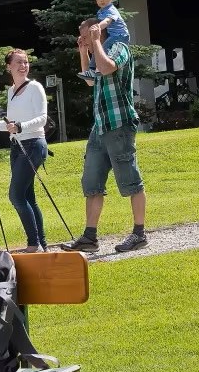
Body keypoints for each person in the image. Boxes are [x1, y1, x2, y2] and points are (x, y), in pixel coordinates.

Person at [62, 17, 148, 254]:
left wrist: (97, 41)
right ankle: (89, 238)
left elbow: (107, 67)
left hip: (119, 124)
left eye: (85, 36)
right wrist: (83, 51)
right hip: (100, 128)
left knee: (130, 179)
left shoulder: (118, 47)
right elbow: (90, 79)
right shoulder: (95, 51)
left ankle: (139, 234)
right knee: (91, 182)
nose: (84, 40)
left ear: (97, 31)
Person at [0, 49, 50, 253]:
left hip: (33, 144)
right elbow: (9, 125)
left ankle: (34, 244)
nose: (23, 66)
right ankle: (41, 244)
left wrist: (21, 126)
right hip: (17, 147)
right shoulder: (11, 91)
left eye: (26, 62)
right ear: (9, 67)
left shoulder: (35, 88)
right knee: (27, 197)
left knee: (15, 196)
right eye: (19, 63)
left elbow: (42, 119)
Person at [78, 0, 129, 80]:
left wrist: (97, 28)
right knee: (99, 50)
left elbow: (107, 21)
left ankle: (93, 70)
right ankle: (92, 71)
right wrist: (83, 53)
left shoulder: (111, 10)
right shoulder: (101, 11)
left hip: (119, 35)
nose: (102, 0)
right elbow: (90, 83)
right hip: (112, 35)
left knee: (103, 48)